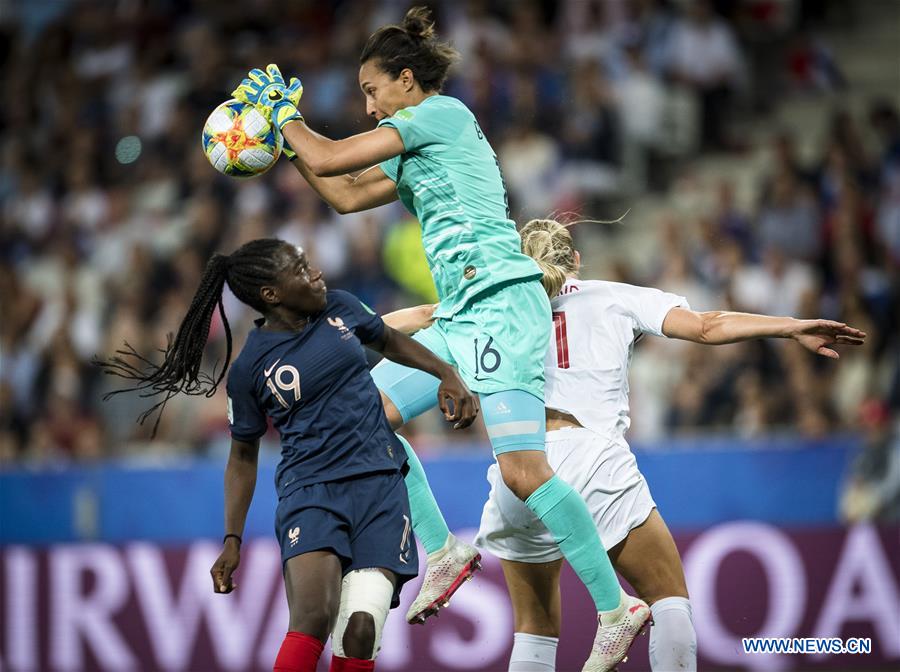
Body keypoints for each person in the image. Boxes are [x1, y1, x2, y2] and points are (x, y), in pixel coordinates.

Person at [230, 7, 651, 666]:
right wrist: (288, 141)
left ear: (405, 80)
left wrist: (286, 121)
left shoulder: (441, 116)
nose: (369, 107)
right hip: (460, 314)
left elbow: (334, 153)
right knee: (369, 415)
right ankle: (446, 550)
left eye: (372, 91)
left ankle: (614, 607)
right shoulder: (412, 143)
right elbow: (341, 192)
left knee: (522, 472)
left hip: (504, 305)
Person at [471, 218, 867, 671]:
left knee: (534, 629)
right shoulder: (615, 296)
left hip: (519, 465)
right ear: (577, 260)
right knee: (666, 597)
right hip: (591, 457)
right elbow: (705, 326)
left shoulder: (499, 309)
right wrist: (789, 326)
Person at [99, 239, 479, 672]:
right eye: (300, 268)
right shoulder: (249, 370)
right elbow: (242, 456)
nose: (315, 271)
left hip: (381, 486)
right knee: (314, 616)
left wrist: (445, 373)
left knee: (360, 631)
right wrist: (231, 539)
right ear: (271, 295)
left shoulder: (341, 307)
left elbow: (391, 341)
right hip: (311, 493)